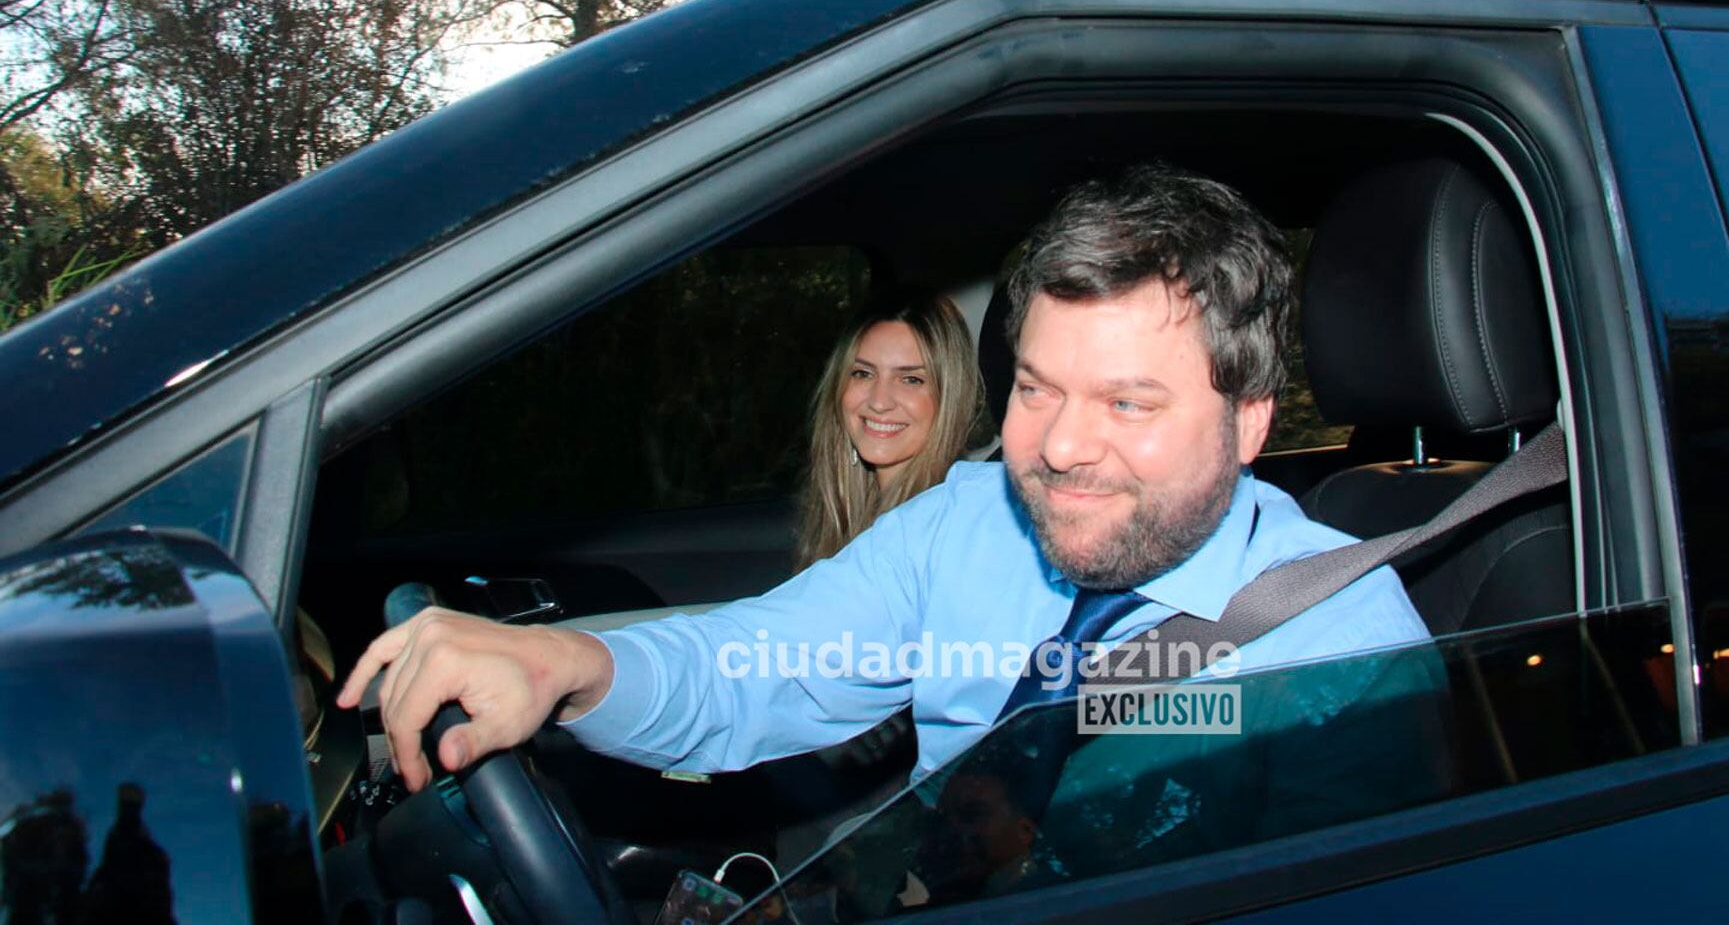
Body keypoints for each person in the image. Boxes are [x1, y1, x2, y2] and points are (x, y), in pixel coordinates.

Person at [338, 163, 1429, 795]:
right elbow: (754, 666)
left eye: (1129, 403)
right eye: (1038, 387)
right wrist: (563, 662)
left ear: (1249, 422)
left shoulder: (1346, 649)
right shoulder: (971, 523)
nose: (1056, 446)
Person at [796, 294, 985, 569]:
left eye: (911, 379)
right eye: (862, 373)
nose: (879, 402)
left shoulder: (946, 529)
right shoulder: (850, 513)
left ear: (949, 397)